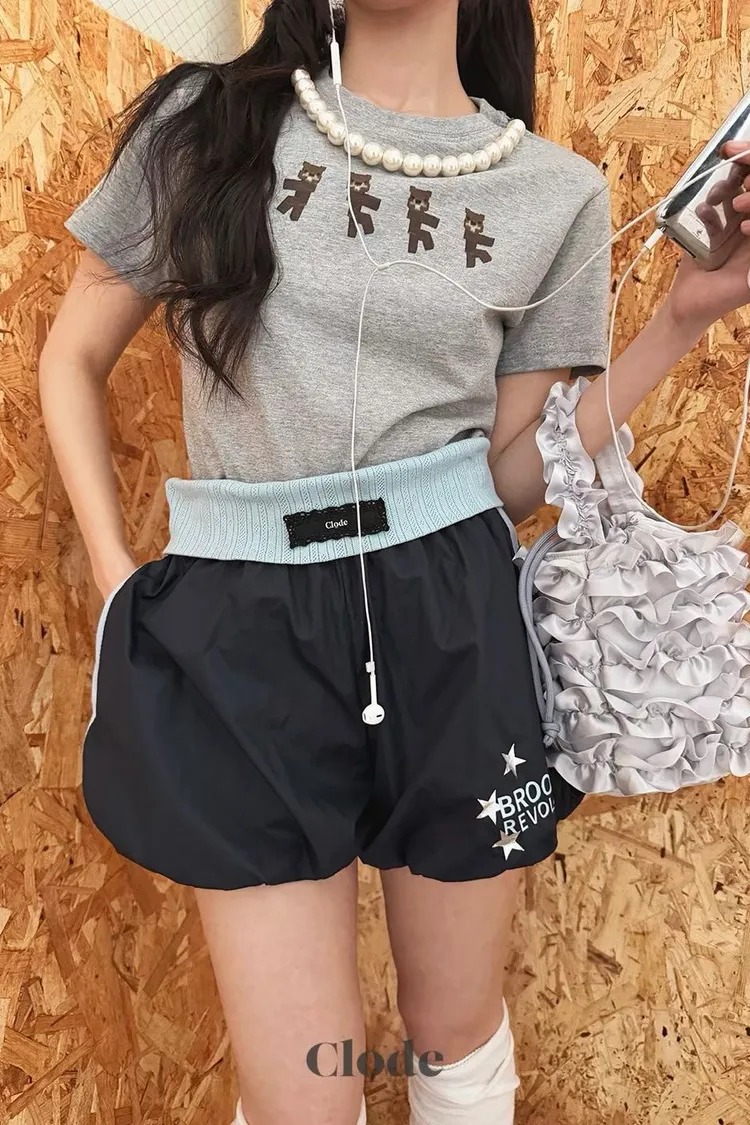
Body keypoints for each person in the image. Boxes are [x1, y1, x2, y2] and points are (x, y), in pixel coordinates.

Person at [39, 1, 750, 1123]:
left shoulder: (554, 193)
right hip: (241, 629)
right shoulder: (208, 125)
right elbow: (72, 354)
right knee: (306, 1097)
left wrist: (680, 320)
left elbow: (512, 481)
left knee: (452, 1043)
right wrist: (115, 571)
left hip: (451, 622)